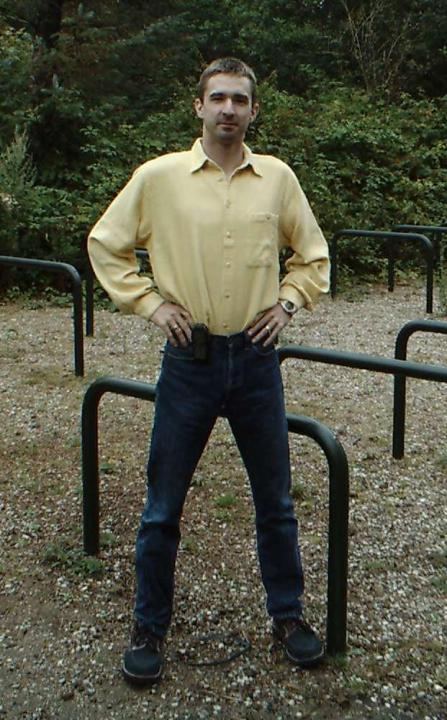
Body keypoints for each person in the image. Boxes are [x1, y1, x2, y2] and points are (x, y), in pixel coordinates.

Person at [88, 57, 330, 686]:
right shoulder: (159, 178)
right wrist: (151, 304)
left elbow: (313, 255)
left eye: (239, 100)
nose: (228, 109)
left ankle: (288, 616)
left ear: (254, 110)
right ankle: (149, 627)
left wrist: (286, 303)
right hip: (188, 363)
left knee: (275, 501)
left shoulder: (277, 179)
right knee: (162, 506)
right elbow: (105, 244)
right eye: (218, 97)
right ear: (198, 106)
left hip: (255, 362)